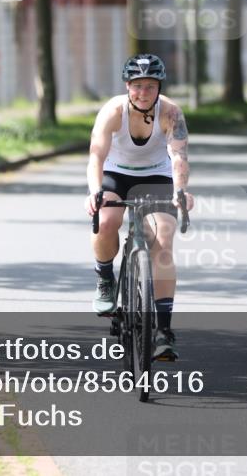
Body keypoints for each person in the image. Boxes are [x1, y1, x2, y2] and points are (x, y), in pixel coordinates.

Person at [85, 54, 194, 362]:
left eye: (150, 86)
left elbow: (179, 157)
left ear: (159, 87)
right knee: (106, 220)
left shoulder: (170, 112)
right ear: (127, 86)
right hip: (116, 172)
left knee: (163, 239)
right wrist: (95, 192)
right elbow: (96, 156)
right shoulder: (112, 111)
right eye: (137, 86)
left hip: (157, 174)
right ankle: (106, 278)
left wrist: (180, 190)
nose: (143, 93)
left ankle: (163, 331)